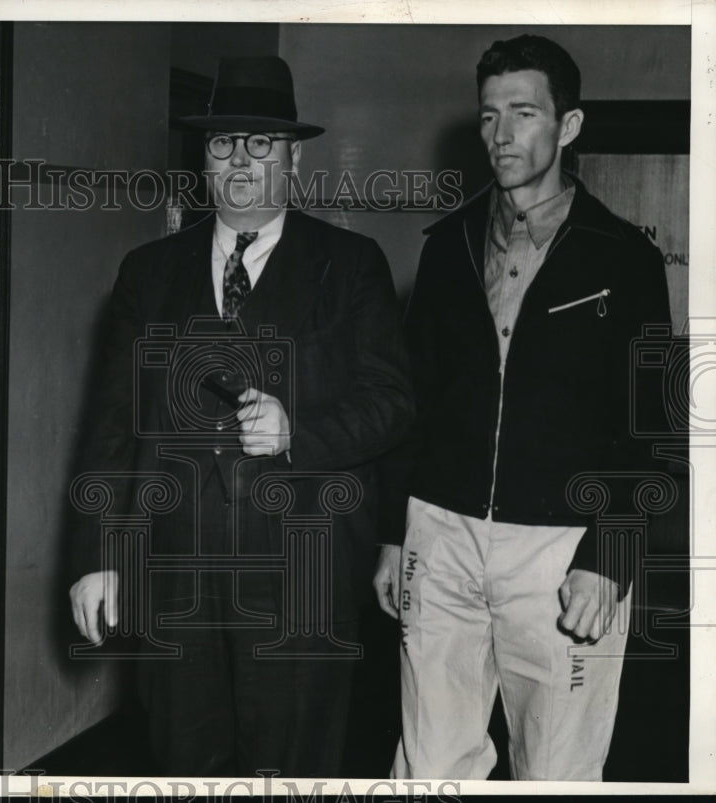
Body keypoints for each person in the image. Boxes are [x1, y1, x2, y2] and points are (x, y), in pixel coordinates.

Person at [70, 56, 413, 777]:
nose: (240, 160)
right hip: (174, 578)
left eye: (260, 143)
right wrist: (97, 557)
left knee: (291, 769)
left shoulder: (350, 265)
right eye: (223, 143)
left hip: (303, 576)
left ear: (293, 156)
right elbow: (108, 424)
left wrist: (300, 433)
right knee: (183, 762)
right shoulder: (149, 272)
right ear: (204, 157)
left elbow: (391, 405)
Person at [377, 34, 672, 780]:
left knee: (558, 769)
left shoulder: (623, 258)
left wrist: (611, 557)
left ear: (567, 127)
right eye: (487, 116)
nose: (501, 135)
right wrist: (393, 535)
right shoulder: (446, 247)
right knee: (429, 765)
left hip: (561, 546)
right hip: (441, 532)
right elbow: (414, 401)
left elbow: (650, 427)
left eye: (523, 112)